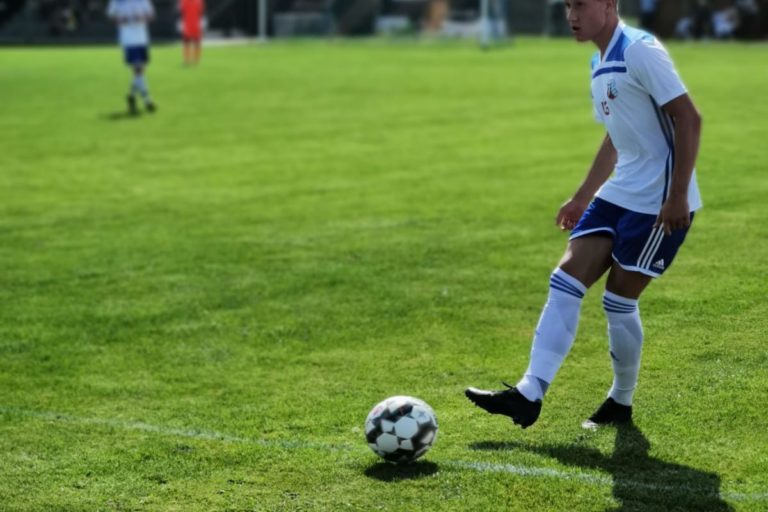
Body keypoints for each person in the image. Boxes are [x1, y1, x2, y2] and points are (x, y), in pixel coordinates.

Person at [465, 0, 703, 429]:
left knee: (618, 302)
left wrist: (677, 195)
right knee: (565, 279)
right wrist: (581, 197)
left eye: (581, 4)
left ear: (609, 5)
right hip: (619, 192)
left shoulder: (639, 50)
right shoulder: (598, 63)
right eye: (567, 5)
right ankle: (529, 393)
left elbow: (689, 118)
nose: (572, 15)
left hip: (657, 201)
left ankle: (620, 402)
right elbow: (615, 137)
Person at [107, 0, 156, 115]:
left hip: (142, 38)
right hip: (128, 39)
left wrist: (142, 18)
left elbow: (151, 15)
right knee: (138, 68)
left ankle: (131, 95)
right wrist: (120, 20)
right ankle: (147, 99)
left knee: (140, 70)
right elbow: (111, 16)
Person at [179, 0, 205, 65]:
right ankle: (188, 60)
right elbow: (181, 12)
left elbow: (201, 13)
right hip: (189, 25)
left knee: (195, 43)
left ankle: (194, 60)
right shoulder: (184, 1)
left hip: (194, 25)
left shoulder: (198, 1)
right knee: (187, 43)